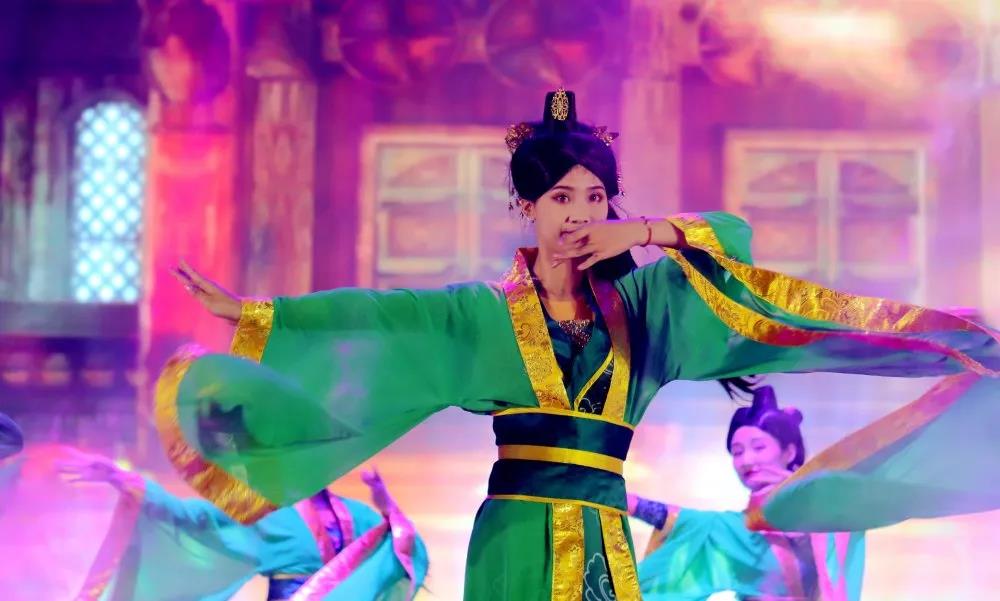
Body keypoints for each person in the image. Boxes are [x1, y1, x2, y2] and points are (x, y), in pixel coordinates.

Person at [156, 88, 998, 600]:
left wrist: (649, 230)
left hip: (602, 531)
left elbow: (734, 248)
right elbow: (381, 320)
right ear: (528, 208)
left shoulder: (649, 309)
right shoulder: (481, 316)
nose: (580, 213)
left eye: (595, 197)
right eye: (561, 197)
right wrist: (262, 315)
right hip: (514, 534)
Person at [58, 449, 426, 600]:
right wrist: (124, 479)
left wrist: (387, 506)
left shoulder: (357, 515)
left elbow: (400, 545)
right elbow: (192, 517)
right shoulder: (268, 514)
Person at [630, 386, 864, 600]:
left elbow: (844, 518)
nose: (746, 460)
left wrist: (802, 502)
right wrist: (621, 500)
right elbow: (689, 522)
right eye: (737, 452)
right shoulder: (735, 529)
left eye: (759, 447)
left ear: (789, 452)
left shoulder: (824, 509)